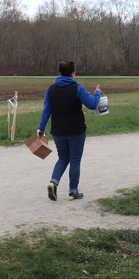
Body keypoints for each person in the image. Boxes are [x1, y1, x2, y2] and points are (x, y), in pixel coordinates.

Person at [38, 61, 101, 201]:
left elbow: (46, 112)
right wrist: (97, 93)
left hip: (58, 131)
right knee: (75, 160)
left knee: (63, 158)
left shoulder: (50, 89)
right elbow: (92, 104)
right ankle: (73, 192)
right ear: (73, 73)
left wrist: (41, 128)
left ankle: (53, 182)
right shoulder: (77, 88)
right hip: (76, 130)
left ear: (60, 72)